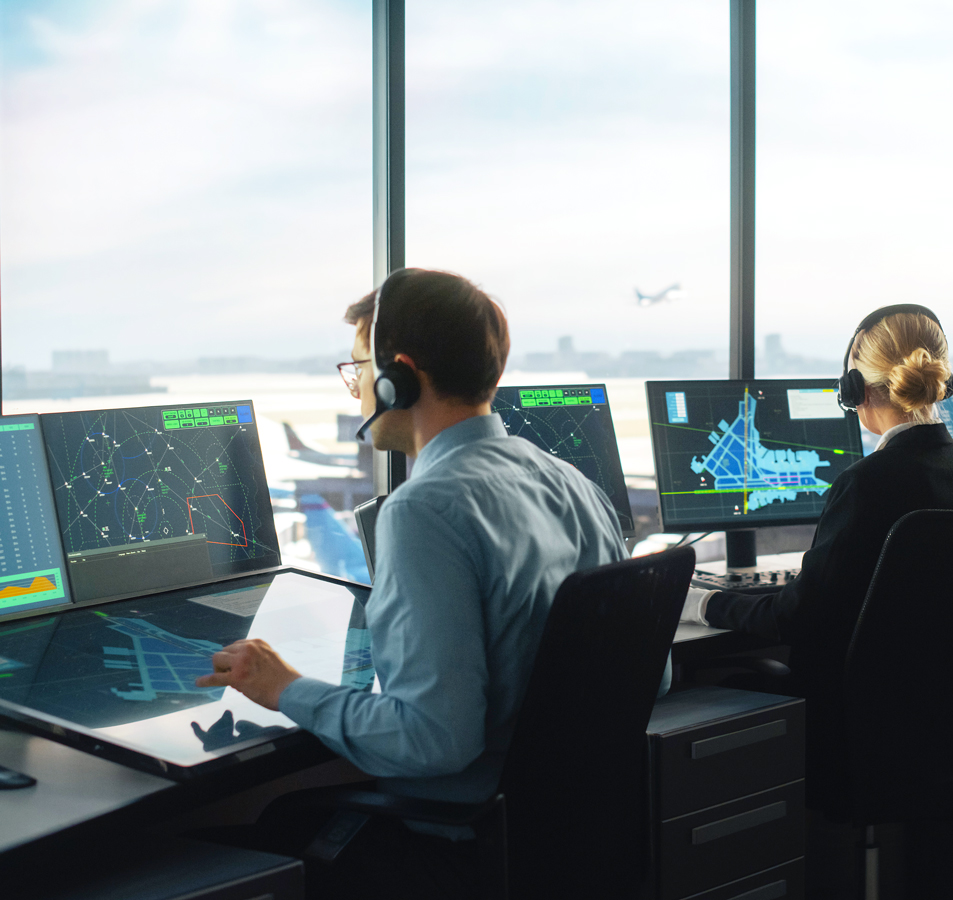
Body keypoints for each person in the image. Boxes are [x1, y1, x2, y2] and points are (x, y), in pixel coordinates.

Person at [196, 268, 629, 898]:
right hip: (564, 840)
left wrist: (285, 687)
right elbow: (654, 674)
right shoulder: (572, 483)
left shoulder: (424, 509)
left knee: (237, 838)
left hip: (451, 845)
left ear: (398, 375)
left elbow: (433, 742)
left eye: (358, 370)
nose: (357, 391)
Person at [680, 304, 953, 898]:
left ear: (853, 388)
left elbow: (802, 615)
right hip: (942, 718)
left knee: (732, 677)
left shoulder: (869, 482)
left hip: (862, 730)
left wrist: (703, 605)